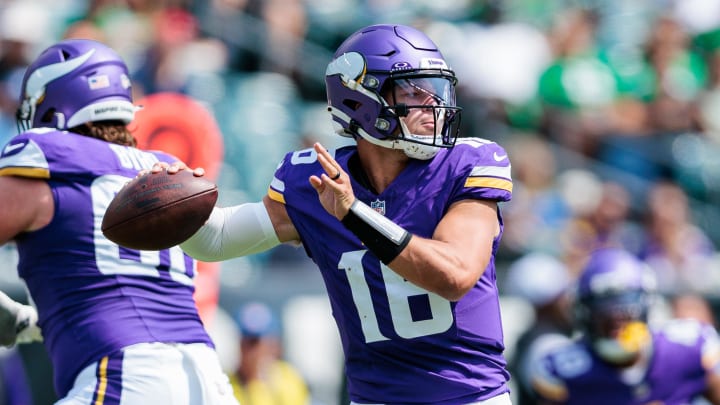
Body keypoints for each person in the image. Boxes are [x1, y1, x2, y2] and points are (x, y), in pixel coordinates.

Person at [156, 23, 514, 404]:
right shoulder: (314, 181)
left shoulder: (466, 163)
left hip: (470, 398)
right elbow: (215, 239)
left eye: (435, 90)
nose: (432, 106)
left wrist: (354, 214)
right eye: (413, 91)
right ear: (361, 101)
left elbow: (454, 274)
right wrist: (166, 197)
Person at [0, 39, 238, 404]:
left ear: (50, 104)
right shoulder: (161, 176)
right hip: (205, 376)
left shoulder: (50, 164)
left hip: (127, 374)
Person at [529, 247, 720, 404]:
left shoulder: (689, 347)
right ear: (584, 315)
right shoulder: (563, 370)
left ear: (647, 306)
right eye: (604, 314)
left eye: (626, 312)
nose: (616, 322)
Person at [504, 252, 574, 405]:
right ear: (547, 303)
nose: (569, 301)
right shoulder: (546, 346)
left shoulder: (533, 338)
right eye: (562, 295)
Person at [229, 301, 310, 405]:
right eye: (244, 341)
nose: (248, 351)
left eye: (254, 342)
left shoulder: (287, 380)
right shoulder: (225, 384)